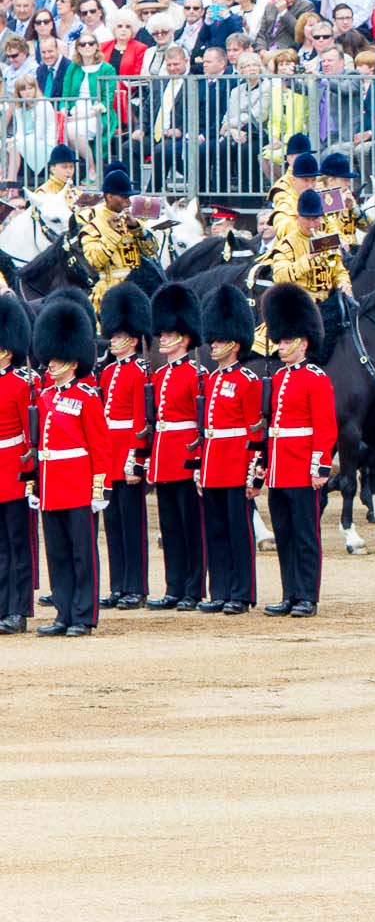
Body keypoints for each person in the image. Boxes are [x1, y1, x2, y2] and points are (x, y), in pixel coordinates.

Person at [30, 295, 111, 637]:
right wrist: (34, 484)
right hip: (51, 484)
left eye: (58, 358)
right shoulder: (46, 397)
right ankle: (64, 611)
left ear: (73, 361)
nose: (51, 364)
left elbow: (100, 446)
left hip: (78, 484)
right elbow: (39, 446)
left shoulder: (87, 397)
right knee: (59, 554)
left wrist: (98, 488)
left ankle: (84, 614)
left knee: (82, 553)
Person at [255, 285, 336, 617]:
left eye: (287, 341)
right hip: (279, 468)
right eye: (281, 340)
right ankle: (290, 593)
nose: (281, 346)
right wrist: (263, 463)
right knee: (285, 535)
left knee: (305, 536)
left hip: (302, 468)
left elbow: (325, 427)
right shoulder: (278, 378)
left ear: (302, 342)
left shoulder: (315, 378)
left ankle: (307, 596)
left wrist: (320, 467)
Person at [196, 283, 261, 614]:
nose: (213, 345)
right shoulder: (209, 380)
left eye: (220, 341)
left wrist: (253, 473)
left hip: (236, 464)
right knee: (216, 531)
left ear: (235, 344)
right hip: (212, 465)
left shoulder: (248, 380)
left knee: (239, 532)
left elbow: (254, 432)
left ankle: (242, 592)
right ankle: (219, 589)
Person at [146, 283, 209, 612]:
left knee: (190, 526)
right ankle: (174, 586)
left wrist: (198, 460)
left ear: (184, 337)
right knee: (169, 527)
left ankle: (193, 587)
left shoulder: (196, 374)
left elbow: (199, 424)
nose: (163, 339)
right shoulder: (158, 376)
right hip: (164, 456)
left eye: (169, 334)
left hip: (186, 455)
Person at [97, 282, 152, 611]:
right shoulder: (107, 374)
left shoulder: (140, 372)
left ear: (131, 340)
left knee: (133, 525)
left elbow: (139, 422)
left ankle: (137, 586)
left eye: (117, 337)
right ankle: (119, 585)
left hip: (128, 456)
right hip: (109, 456)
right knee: (113, 524)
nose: (112, 341)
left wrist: (136, 459)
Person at [0, 295, 33, 635]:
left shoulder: (21, 385)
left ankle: (18, 609)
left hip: (14, 471)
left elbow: (30, 437)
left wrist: (31, 477)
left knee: (18, 545)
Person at [80, 165, 152, 310]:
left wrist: (137, 229)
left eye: (129, 197)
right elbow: (94, 260)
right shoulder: (92, 227)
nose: (129, 202)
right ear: (109, 196)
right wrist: (113, 234)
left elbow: (153, 251)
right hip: (108, 296)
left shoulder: (132, 221)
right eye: (124, 197)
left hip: (138, 291)